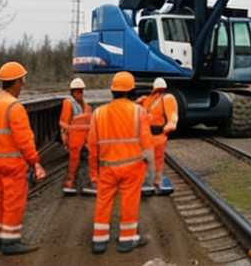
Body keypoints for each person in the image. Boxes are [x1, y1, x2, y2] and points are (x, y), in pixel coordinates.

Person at [0, 61, 46, 255]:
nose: (23, 84)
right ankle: (10, 242)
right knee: (13, 201)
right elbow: (25, 140)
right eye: (22, 80)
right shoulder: (14, 108)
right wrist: (35, 162)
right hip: (13, 164)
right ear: (17, 82)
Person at [87, 71, 155, 254]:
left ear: (112, 91)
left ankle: (99, 241)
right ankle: (126, 240)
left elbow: (92, 148)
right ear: (131, 91)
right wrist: (151, 169)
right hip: (133, 167)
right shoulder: (138, 111)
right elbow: (147, 144)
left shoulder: (98, 113)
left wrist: (93, 172)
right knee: (129, 201)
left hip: (107, 168)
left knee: (103, 201)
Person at [136, 77, 178, 193]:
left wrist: (169, 126)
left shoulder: (165, 99)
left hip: (155, 134)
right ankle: (152, 180)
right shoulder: (148, 100)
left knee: (155, 159)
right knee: (151, 159)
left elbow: (172, 116)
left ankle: (156, 181)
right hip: (149, 134)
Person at [59, 77, 91, 195]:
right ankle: (70, 182)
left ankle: (87, 183)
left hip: (85, 138)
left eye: (81, 91)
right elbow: (64, 122)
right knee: (73, 162)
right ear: (72, 92)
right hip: (74, 139)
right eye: (78, 91)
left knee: (88, 161)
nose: (80, 93)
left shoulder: (85, 106)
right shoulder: (68, 103)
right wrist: (65, 137)